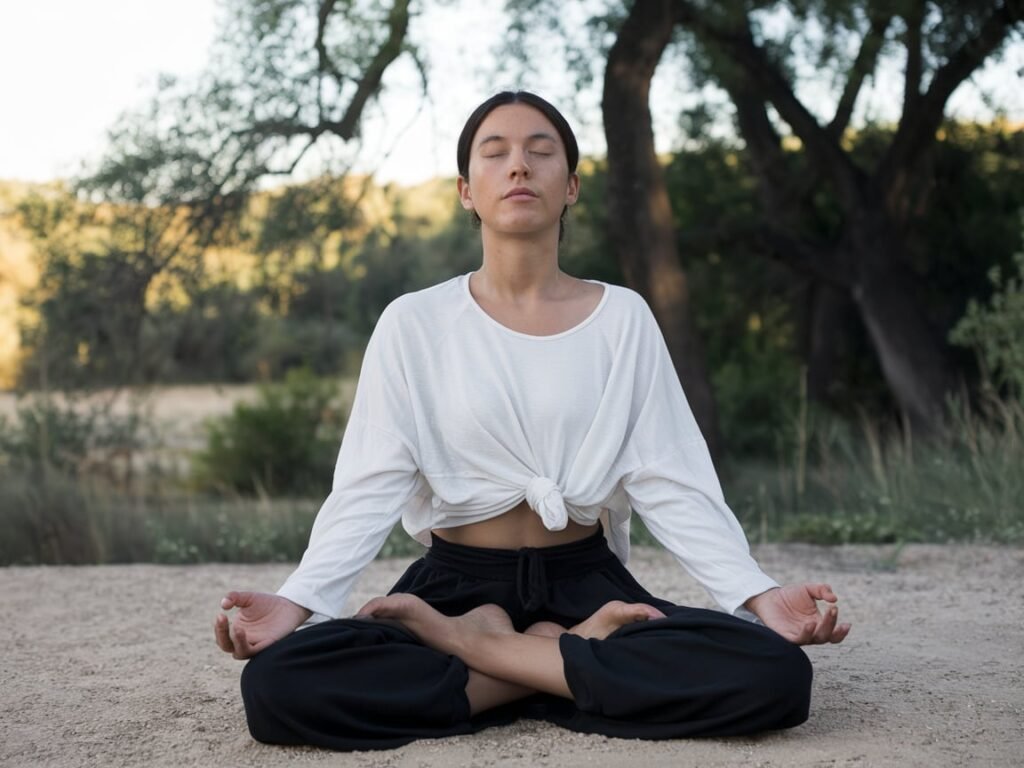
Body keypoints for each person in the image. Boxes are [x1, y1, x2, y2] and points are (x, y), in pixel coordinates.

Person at [213, 90, 850, 751]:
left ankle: (483, 652)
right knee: (277, 686)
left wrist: (756, 593)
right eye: (496, 153)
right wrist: (298, 600)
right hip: (455, 583)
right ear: (466, 190)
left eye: (540, 152)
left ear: (570, 186)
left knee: (776, 673)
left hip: (586, 582)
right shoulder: (413, 323)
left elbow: (671, 479)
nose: (519, 166)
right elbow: (367, 486)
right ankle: (561, 659)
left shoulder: (623, 318)